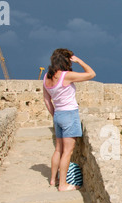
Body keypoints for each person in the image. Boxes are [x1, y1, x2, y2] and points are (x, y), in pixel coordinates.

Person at [43, 48, 96, 191]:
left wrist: (55, 115)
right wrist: (79, 61)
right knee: (67, 152)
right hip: (69, 115)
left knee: (58, 150)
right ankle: (63, 185)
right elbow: (91, 74)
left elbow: (47, 101)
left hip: (58, 115)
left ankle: (53, 180)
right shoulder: (66, 76)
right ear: (66, 60)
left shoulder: (46, 77)